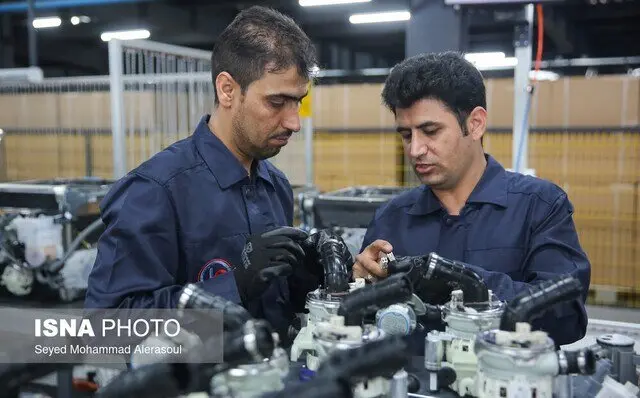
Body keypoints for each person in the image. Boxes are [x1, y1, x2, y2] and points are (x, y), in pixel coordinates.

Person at [84, 6, 325, 339]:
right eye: (276, 102)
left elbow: (275, 307)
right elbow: (106, 327)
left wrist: (307, 280)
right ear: (227, 90)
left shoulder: (275, 185)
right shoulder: (157, 190)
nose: (294, 122)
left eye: (298, 101)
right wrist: (231, 288)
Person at [352, 52, 591, 346]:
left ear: (475, 124)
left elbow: (566, 317)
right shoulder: (392, 218)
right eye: (406, 135)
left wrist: (456, 281)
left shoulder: (539, 206)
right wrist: (361, 284)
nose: (415, 150)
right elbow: (364, 322)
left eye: (430, 131)